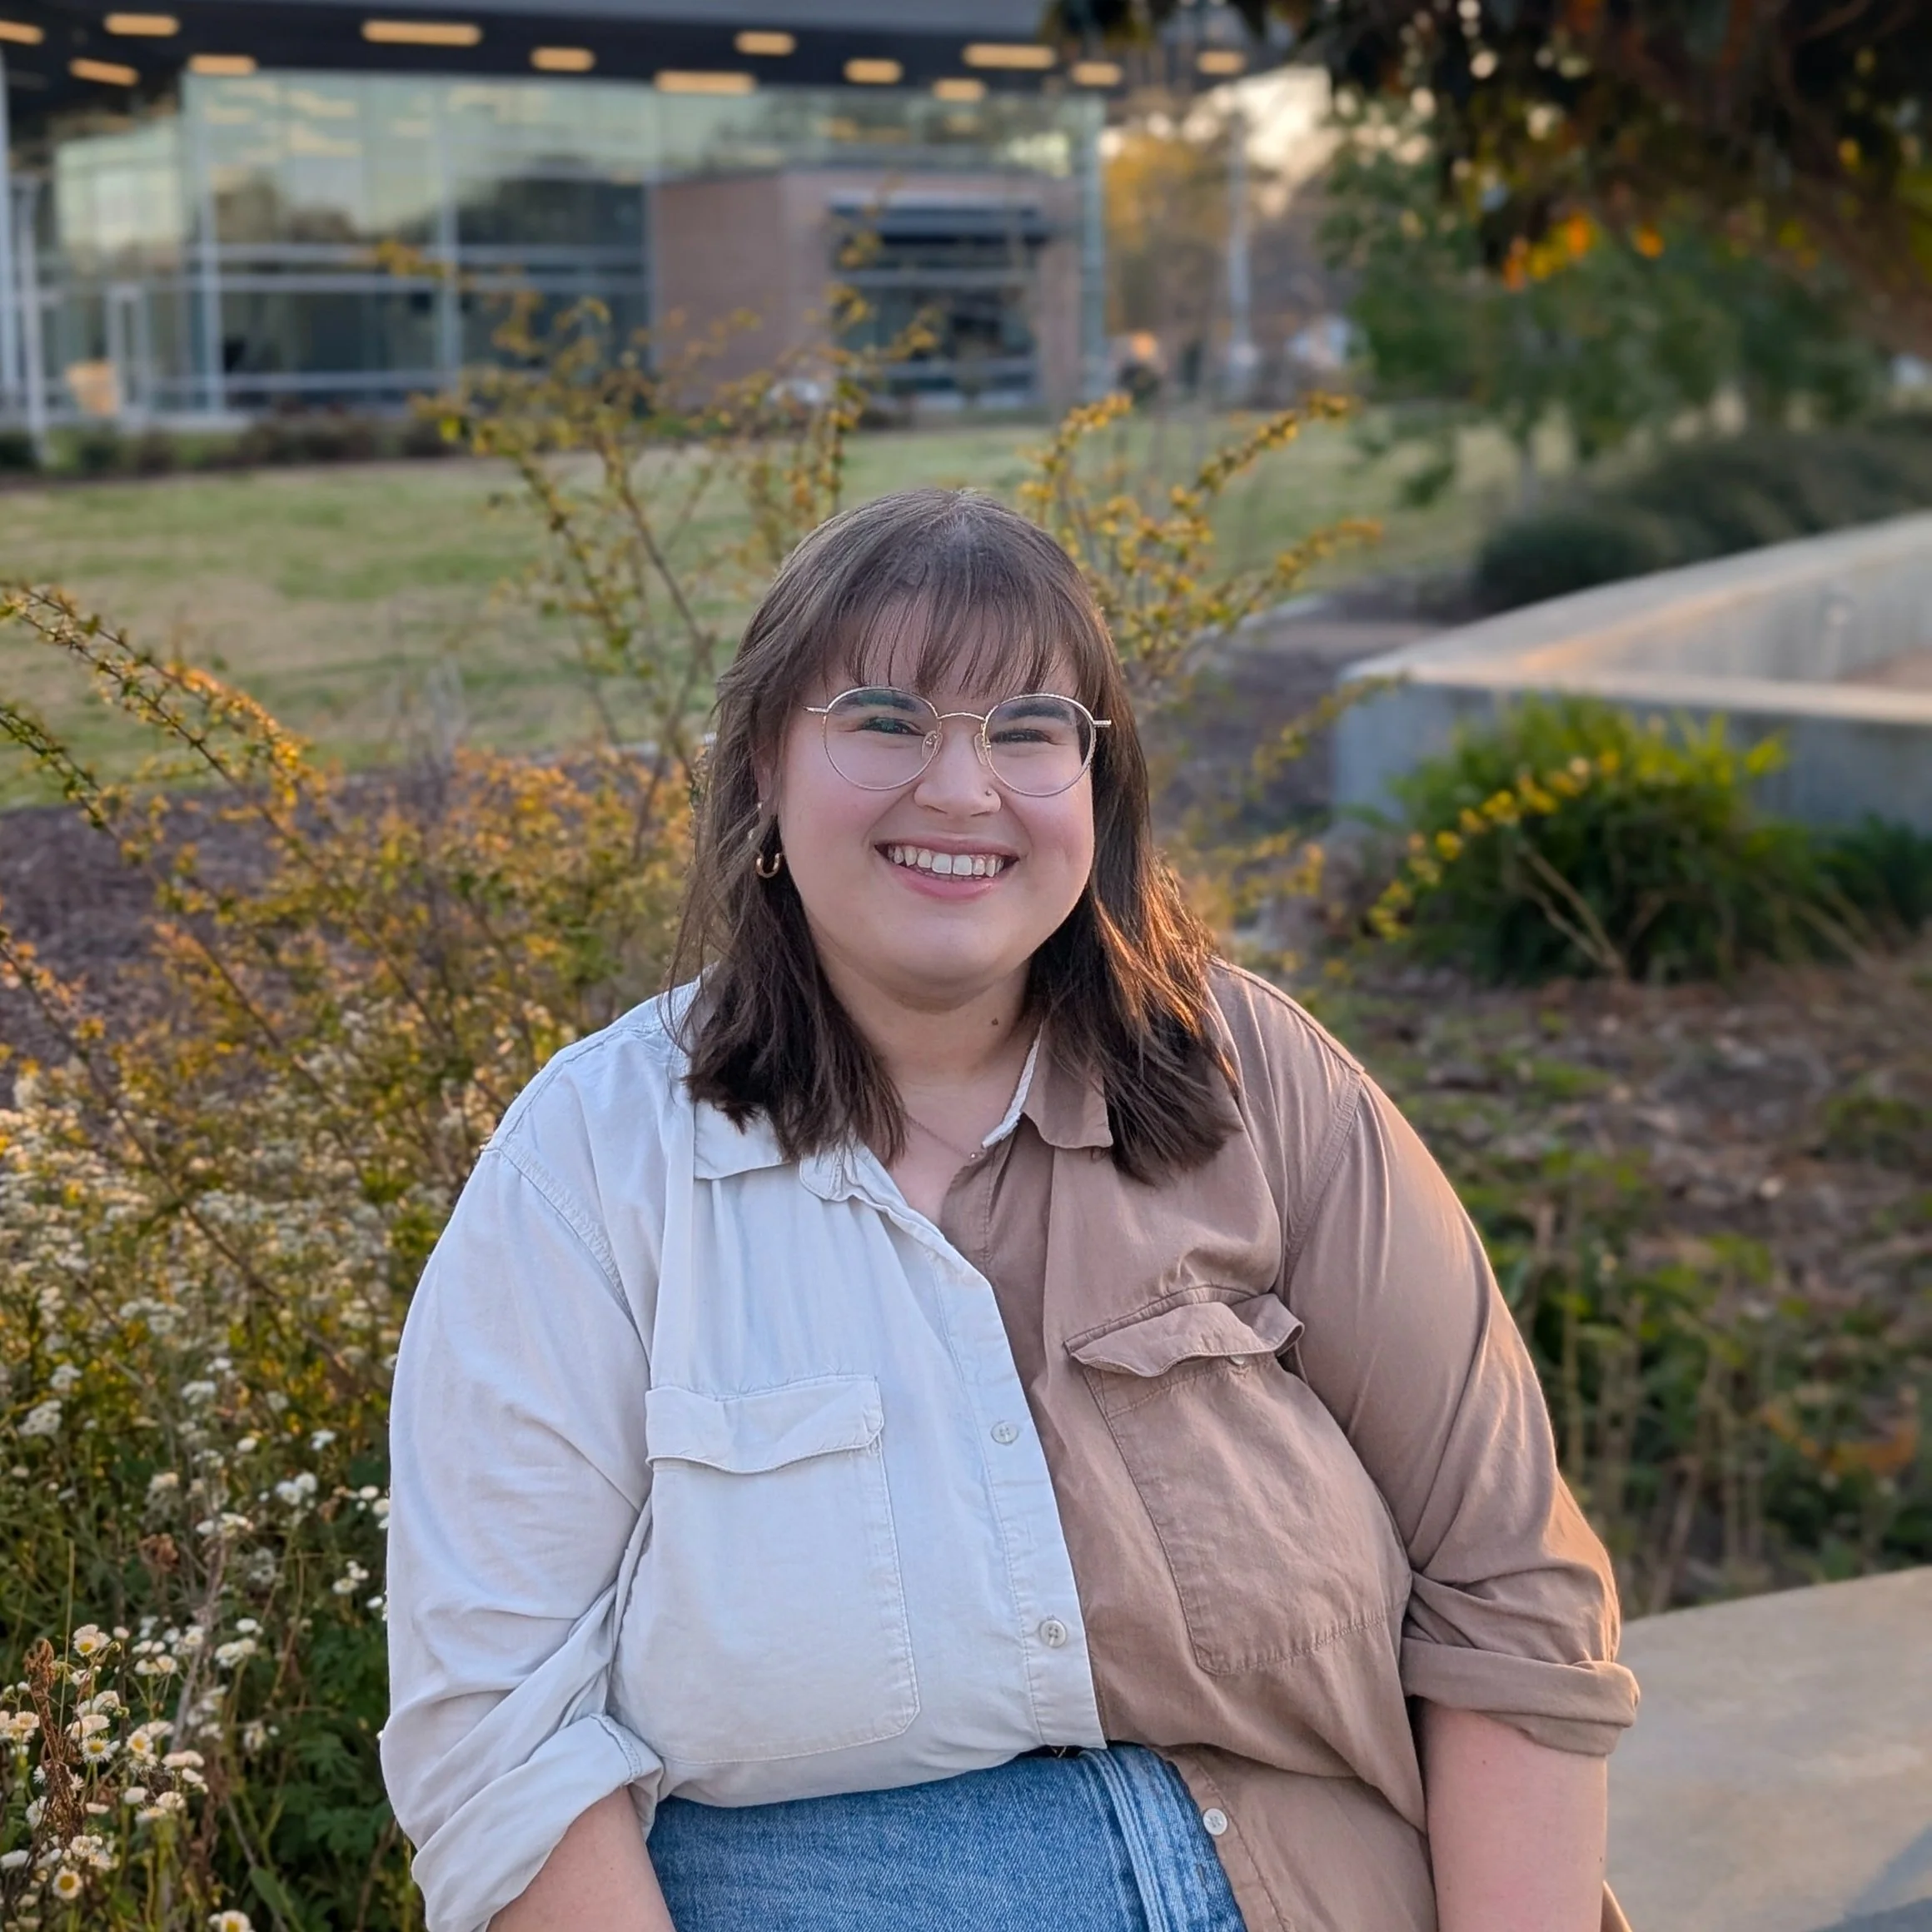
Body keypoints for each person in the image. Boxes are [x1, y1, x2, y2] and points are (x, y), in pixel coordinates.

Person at [381, 488, 1639, 1932]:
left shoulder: (1263, 1088)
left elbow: (1510, 1594)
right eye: (884, 718)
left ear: (1096, 796)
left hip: (1308, 1882)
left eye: (1029, 728)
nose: (963, 790)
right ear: (761, 778)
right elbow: (498, 1738)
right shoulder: (594, 1165)